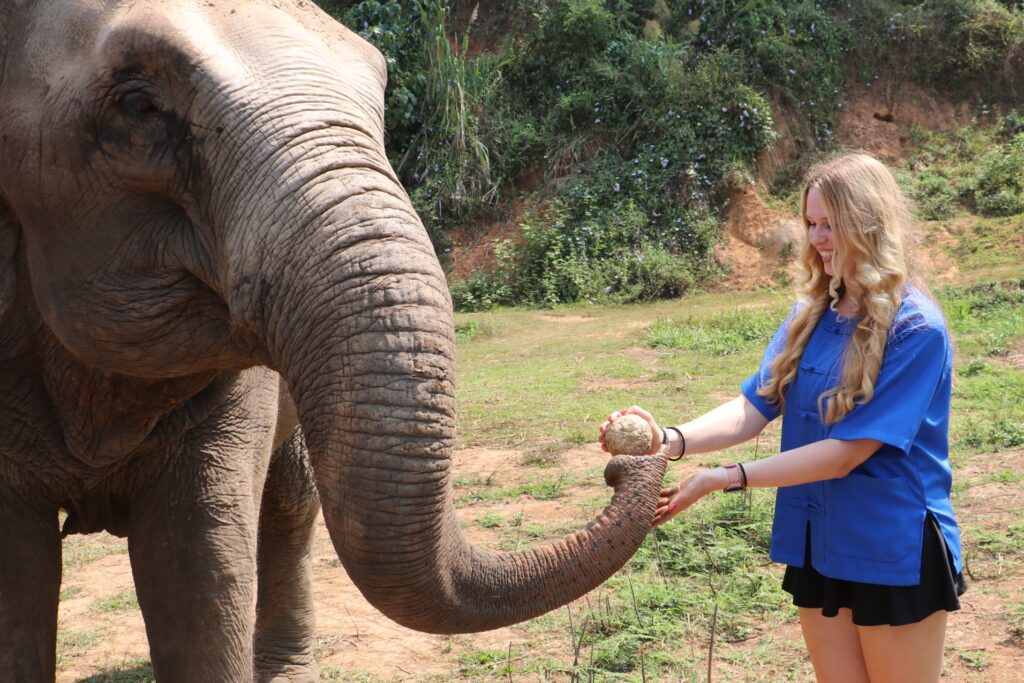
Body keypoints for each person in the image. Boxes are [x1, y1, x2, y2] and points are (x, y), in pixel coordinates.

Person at [600, 152, 965, 683]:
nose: (817, 238)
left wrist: (724, 478)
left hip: (892, 550)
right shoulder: (811, 314)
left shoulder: (916, 330)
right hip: (819, 541)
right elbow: (754, 408)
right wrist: (668, 439)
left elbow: (847, 454)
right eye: (811, 223)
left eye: (830, 224)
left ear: (869, 224)